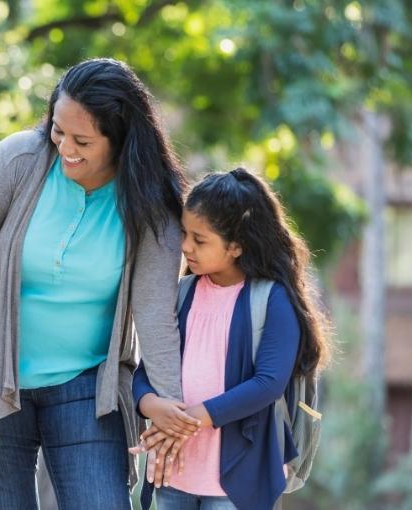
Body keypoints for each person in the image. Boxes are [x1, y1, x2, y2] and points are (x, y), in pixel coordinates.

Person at [0, 58, 191, 509]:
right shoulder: (18, 160)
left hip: (86, 387)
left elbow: (156, 313)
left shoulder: (153, 206)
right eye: (59, 131)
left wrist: (169, 408)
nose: (65, 148)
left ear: (121, 142)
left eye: (83, 140)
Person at [131, 168, 331, 510]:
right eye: (184, 233)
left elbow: (267, 383)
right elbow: (146, 368)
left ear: (236, 245)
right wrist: (152, 406)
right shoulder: (182, 293)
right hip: (174, 477)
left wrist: (187, 420)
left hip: (237, 483)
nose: (185, 246)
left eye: (199, 239)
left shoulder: (273, 299)